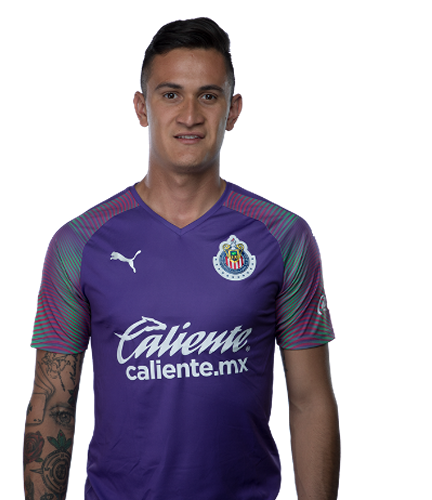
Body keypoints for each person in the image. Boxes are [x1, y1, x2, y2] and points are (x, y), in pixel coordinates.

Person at [23, 17, 340, 500]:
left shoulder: (284, 237)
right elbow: (53, 404)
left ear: (233, 110)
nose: (190, 115)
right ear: (141, 107)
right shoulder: (78, 244)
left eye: (208, 96)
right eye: (171, 94)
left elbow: (311, 399)